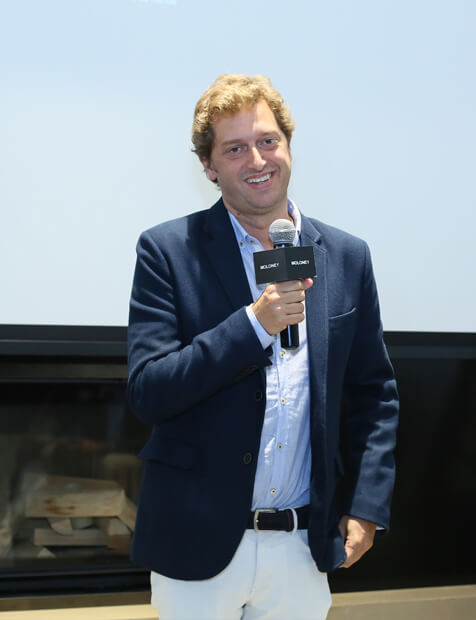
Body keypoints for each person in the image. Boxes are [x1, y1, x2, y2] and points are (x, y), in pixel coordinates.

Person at [127, 74, 399, 620]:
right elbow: (150, 391)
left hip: (302, 548)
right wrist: (254, 325)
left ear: (288, 146)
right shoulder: (167, 251)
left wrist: (367, 506)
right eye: (234, 149)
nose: (257, 160)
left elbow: (374, 396)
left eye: (268, 141)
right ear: (208, 166)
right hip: (197, 545)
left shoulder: (346, 255)